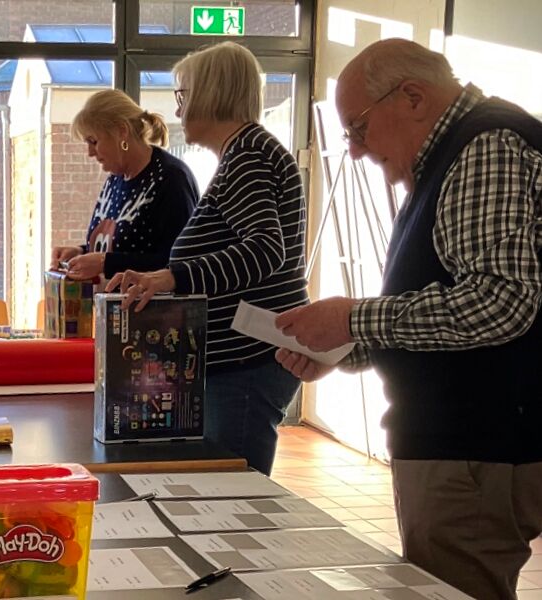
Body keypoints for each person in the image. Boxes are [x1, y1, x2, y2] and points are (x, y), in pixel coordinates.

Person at [275, 39, 542, 600]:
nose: (352, 151)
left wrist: (355, 323)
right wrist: (343, 349)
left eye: (358, 129)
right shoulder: (452, 153)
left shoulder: (483, 145)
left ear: (414, 97)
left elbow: (501, 301)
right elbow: (449, 301)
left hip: (475, 445)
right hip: (466, 443)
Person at [107, 42, 308, 476]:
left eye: (183, 95)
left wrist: (173, 277)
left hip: (247, 362)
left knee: (234, 493)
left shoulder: (249, 156)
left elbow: (264, 249)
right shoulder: (244, 153)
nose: (178, 111)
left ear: (211, 93)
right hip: (241, 361)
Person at [49, 89, 198, 280]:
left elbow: (179, 264)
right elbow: (122, 247)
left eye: (94, 141)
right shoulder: (115, 179)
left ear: (122, 131)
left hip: (152, 309)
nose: (90, 153)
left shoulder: (171, 179)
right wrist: (80, 252)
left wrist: (105, 263)